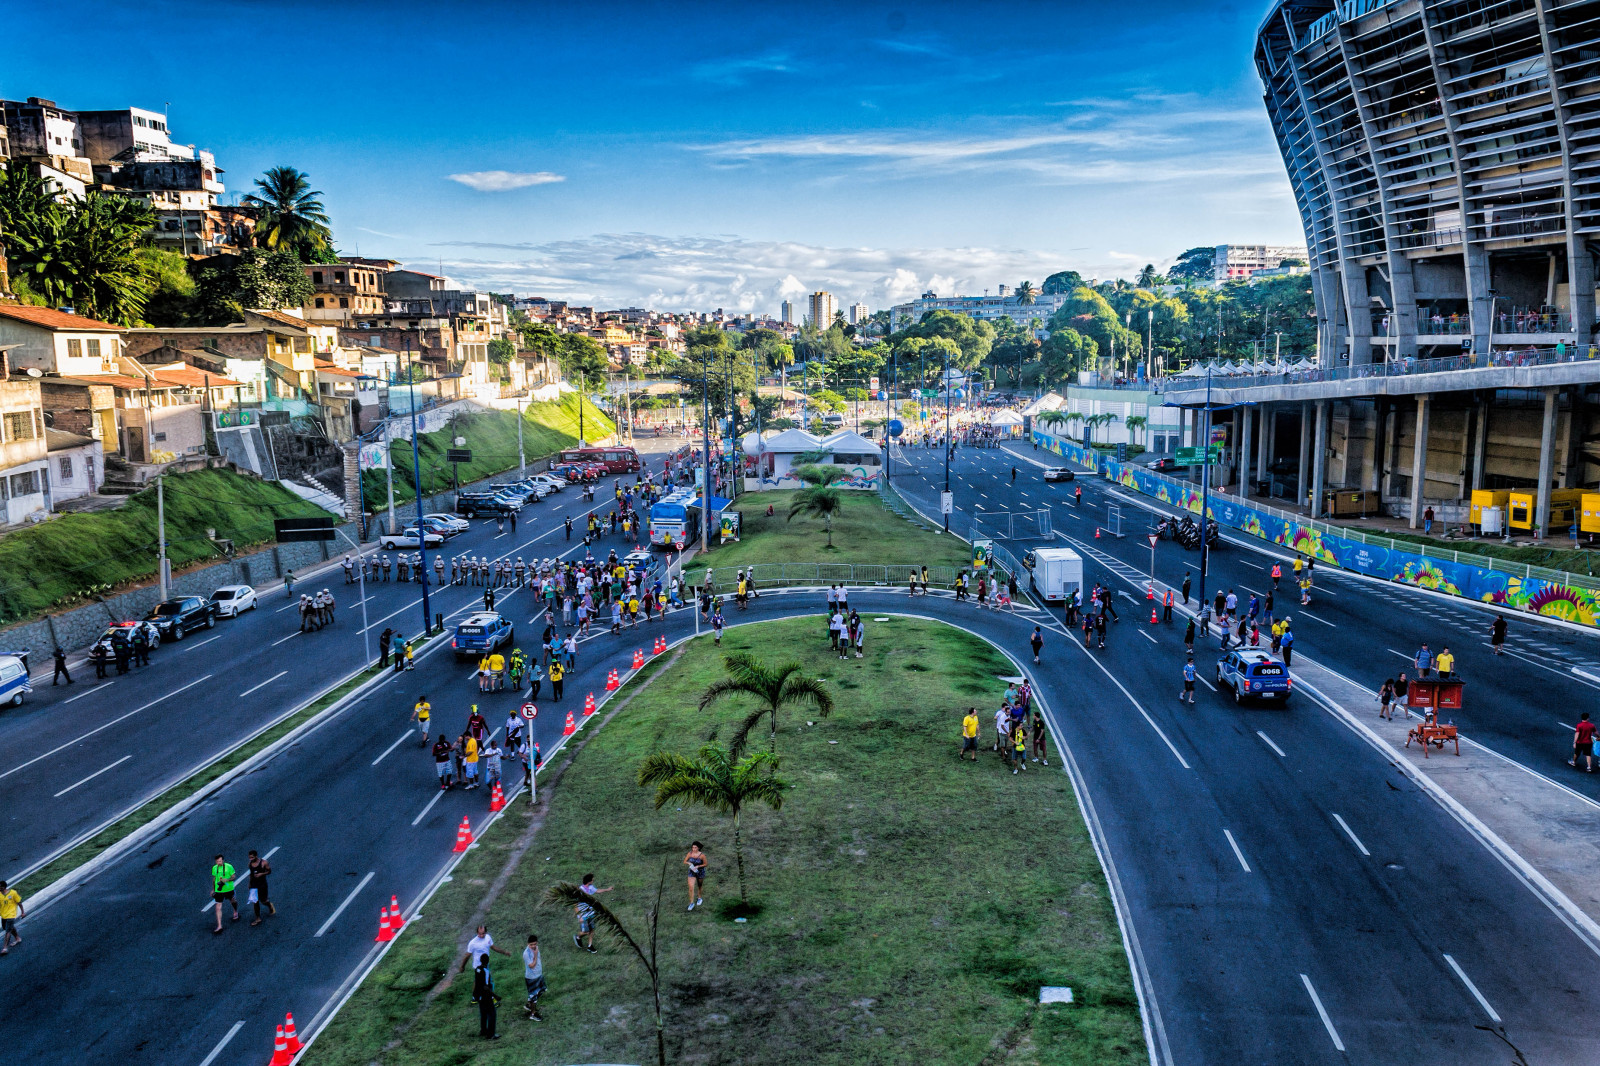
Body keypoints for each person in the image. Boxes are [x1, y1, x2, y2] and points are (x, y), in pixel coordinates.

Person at [573, 874, 612, 953]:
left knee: (592, 930)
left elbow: (597, 891)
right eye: (592, 880)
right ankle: (578, 937)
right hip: (583, 914)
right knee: (585, 931)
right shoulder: (580, 891)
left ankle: (590, 946)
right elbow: (575, 905)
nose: (593, 881)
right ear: (589, 881)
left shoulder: (590, 887)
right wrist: (579, 916)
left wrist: (607, 889)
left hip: (590, 913)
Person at [473, 953, 501, 1039]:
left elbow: (477, 983)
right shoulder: (486, 971)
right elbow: (485, 986)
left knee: (483, 1014)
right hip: (486, 996)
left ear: (480, 960)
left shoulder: (477, 969)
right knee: (492, 1014)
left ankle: (483, 1031)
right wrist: (495, 996)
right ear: (488, 961)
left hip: (479, 996)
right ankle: (491, 1035)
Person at [246, 849, 276, 925]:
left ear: (256, 856)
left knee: (263, 901)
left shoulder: (264, 863)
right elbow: (251, 874)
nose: (251, 859)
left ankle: (269, 905)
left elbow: (269, 871)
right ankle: (258, 918)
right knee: (255, 902)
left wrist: (261, 874)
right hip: (254, 885)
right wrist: (249, 884)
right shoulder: (250, 864)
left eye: (252, 857)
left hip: (262, 884)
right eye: (249, 857)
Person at [211, 854, 239, 933]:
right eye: (217, 861)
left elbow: (234, 877)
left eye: (220, 861)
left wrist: (227, 880)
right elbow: (214, 879)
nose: (218, 863)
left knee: (233, 901)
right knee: (218, 907)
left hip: (228, 889)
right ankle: (219, 925)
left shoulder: (229, 866)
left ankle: (235, 911)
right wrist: (213, 889)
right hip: (219, 890)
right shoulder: (214, 868)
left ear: (223, 860)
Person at [523, 935, 545, 1020]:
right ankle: (533, 1014)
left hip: (539, 974)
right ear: (528, 944)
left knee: (542, 990)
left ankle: (529, 1004)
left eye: (535, 944)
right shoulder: (526, 953)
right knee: (534, 997)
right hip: (532, 977)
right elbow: (531, 965)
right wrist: (535, 955)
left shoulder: (536, 948)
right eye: (531, 944)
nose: (533, 946)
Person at [0, 880, 23, 955]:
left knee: (8, 931)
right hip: (3, 915)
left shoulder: (13, 893)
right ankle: (17, 938)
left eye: (0, 887)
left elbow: (19, 903)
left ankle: (5, 948)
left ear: (4, 887)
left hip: (11, 915)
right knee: (8, 928)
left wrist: (23, 912)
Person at [685, 842, 708, 911]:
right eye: (693, 847)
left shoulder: (702, 855)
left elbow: (705, 864)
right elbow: (685, 861)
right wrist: (689, 863)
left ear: (698, 848)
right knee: (691, 887)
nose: (694, 849)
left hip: (700, 872)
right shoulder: (690, 853)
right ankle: (691, 903)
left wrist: (698, 866)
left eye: (695, 847)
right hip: (692, 872)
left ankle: (699, 898)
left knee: (699, 885)